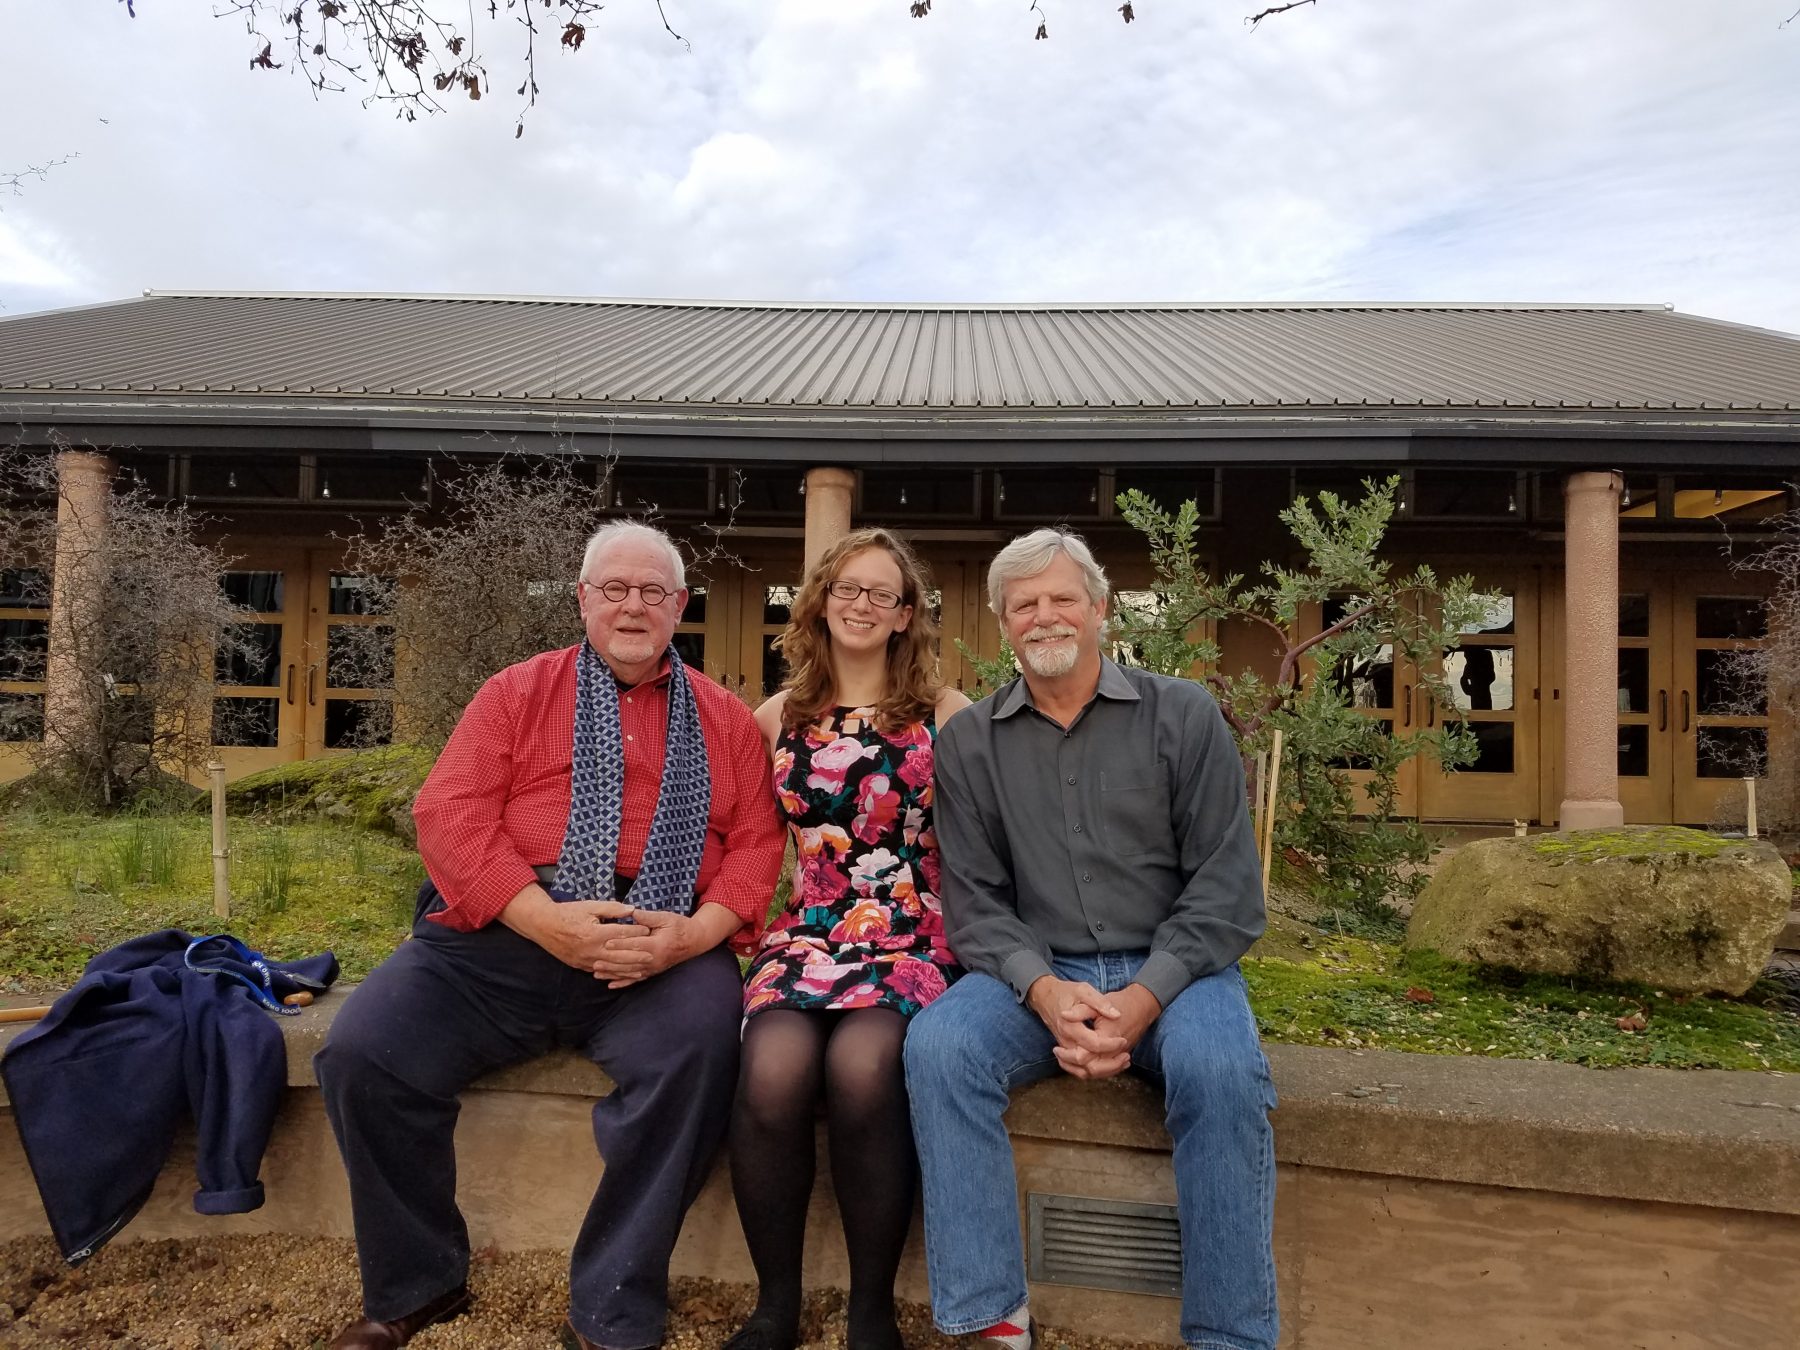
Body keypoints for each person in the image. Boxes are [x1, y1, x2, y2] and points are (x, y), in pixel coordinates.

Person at [315, 521, 786, 1350]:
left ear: (680, 606)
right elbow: (450, 815)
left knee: (704, 1053)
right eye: (614, 589)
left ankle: (612, 1301)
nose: (632, 606)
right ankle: (418, 1283)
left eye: (652, 592)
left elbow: (754, 845)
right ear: (582, 599)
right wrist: (542, 918)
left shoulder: (727, 721)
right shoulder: (515, 693)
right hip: (505, 932)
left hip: (662, 942)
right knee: (363, 1051)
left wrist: (689, 939)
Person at [904, 528, 1278, 1350]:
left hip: (1178, 971)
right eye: (1024, 604)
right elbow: (976, 901)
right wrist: (1044, 991)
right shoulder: (968, 744)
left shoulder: (1182, 715)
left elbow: (1225, 889)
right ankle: (990, 1319)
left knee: (1221, 1069)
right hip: (1041, 971)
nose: (1044, 616)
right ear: (1003, 624)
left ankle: (1230, 1336)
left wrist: (1143, 999)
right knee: (940, 1047)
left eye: (1062, 597)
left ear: (1102, 609)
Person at [724, 528, 969, 1350]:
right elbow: (750, 845)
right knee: (770, 1070)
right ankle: (776, 1304)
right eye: (848, 589)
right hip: (809, 930)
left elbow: (984, 845)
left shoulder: (947, 715)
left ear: (907, 617)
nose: (863, 605)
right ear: (823, 602)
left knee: (863, 1071)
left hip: (913, 931)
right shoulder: (775, 718)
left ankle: (871, 1309)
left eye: (883, 594)